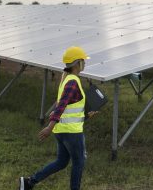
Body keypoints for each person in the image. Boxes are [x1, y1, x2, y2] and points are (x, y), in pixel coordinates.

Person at [19, 46, 96, 190]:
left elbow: (68, 108)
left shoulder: (67, 79)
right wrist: (49, 127)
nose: (85, 63)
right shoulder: (72, 81)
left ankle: (29, 182)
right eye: (83, 61)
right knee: (79, 162)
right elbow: (61, 106)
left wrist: (86, 115)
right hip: (70, 132)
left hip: (62, 131)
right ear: (77, 63)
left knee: (61, 162)